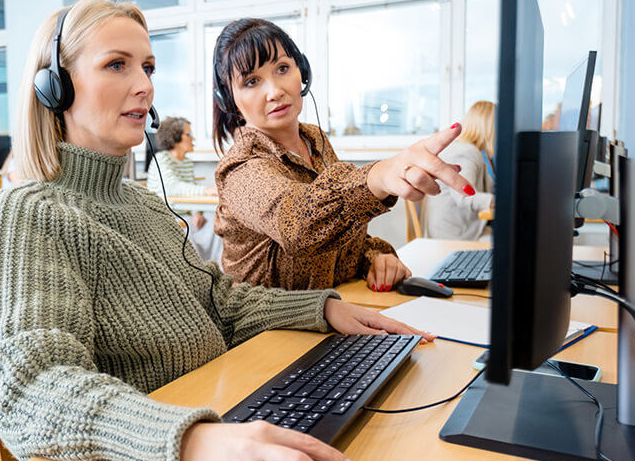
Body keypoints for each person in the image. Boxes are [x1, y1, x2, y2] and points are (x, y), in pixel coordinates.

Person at [0, 0, 436, 461]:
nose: (144, 84)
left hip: (209, 425)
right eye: (117, 65)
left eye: (148, 67)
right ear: (56, 86)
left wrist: (323, 310)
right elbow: (28, 387)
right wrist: (191, 444)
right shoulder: (25, 212)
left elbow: (219, 301)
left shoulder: (143, 205)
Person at [210, 19, 474, 293]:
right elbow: (298, 226)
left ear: (303, 72)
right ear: (229, 99)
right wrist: (377, 176)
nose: (275, 91)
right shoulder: (240, 168)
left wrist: (374, 258)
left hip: (329, 317)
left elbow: (338, 238)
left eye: (283, 68)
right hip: (268, 332)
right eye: (251, 81)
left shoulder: (315, 141)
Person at [145, 115, 222, 263]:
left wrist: (197, 212)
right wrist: (206, 191)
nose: (193, 139)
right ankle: (200, 273)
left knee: (218, 223)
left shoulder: (186, 162)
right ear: (175, 138)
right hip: (168, 218)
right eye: (189, 135)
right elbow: (174, 187)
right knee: (187, 233)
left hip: (186, 214)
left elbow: (190, 187)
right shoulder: (161, 159)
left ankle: (216, 269)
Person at [421, 101, 497, 240]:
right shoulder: (466, 152)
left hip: (458, 228)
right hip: (454, 235)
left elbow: (489, 187)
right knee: (509, 242)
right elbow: (464, 197)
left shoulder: (471, 150)